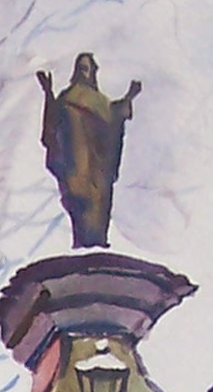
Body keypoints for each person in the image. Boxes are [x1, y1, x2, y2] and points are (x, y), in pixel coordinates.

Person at [38, 54, 142, 248]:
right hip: (75, 168)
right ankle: (81, 244)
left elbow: (114, 120)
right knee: (79, 205)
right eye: (81, 68)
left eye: (87, 68)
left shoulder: (102, 102)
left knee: (99, 209)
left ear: (93, 72)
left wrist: (129, 97)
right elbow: (52, 128)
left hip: (98, 174)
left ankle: (98, 242)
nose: (83, 72)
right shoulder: (66, 98)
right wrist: (48, 93)